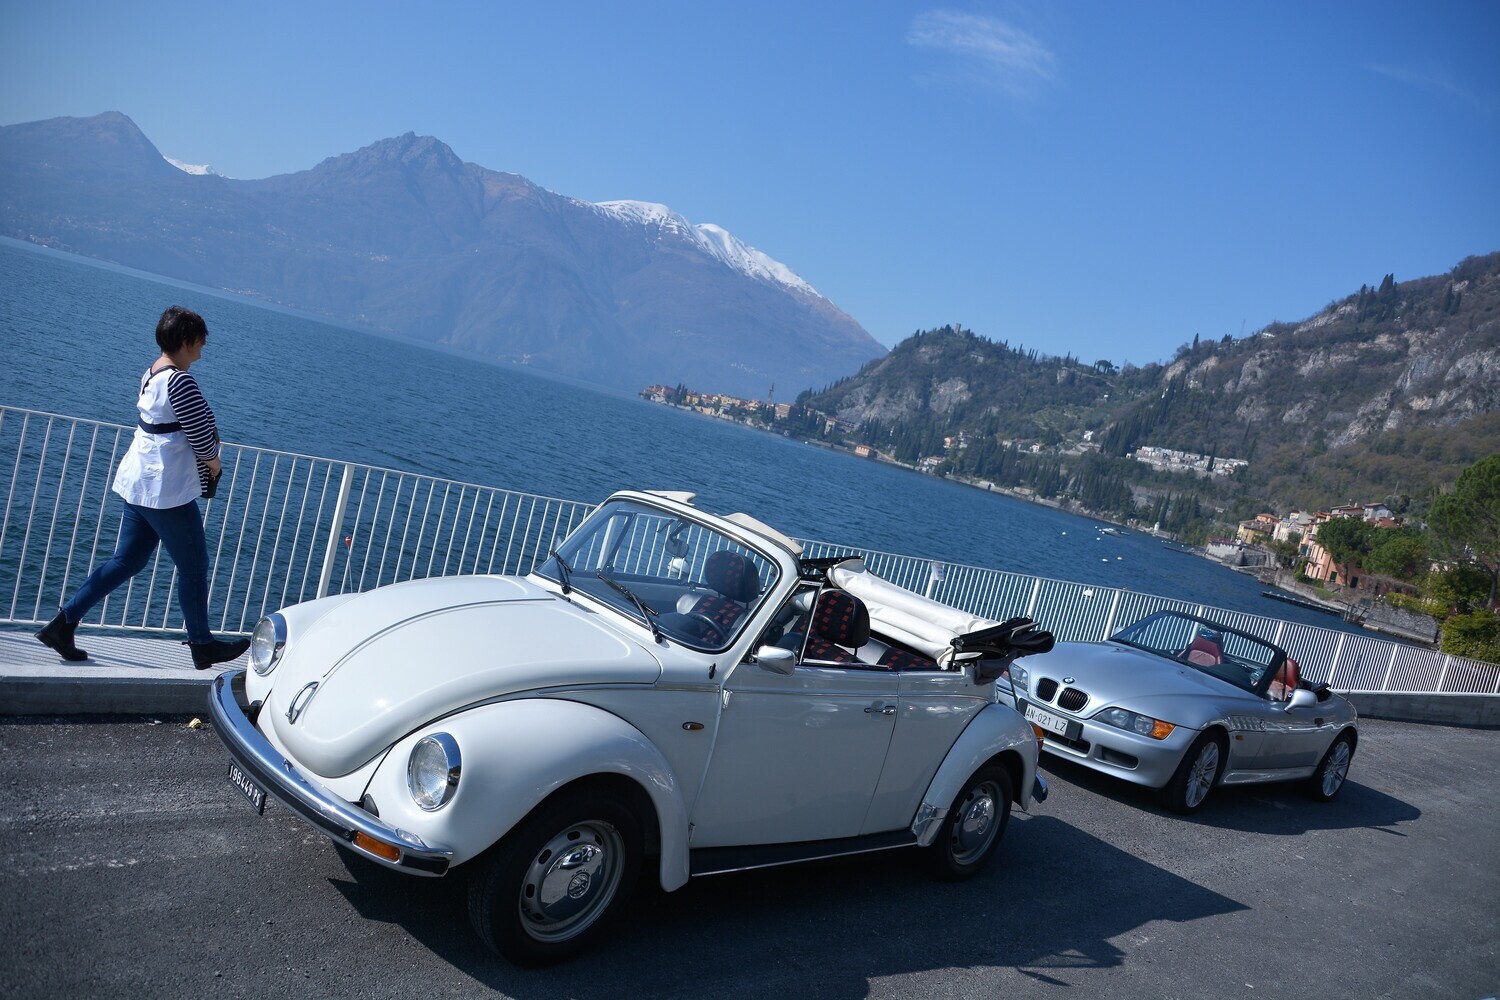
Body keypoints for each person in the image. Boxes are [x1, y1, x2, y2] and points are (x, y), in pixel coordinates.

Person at [35, 306, 250, 670]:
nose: (203, 347)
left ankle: (62, 624)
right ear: (186, 341)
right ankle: (201, 644)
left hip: (139, 483)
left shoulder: (153, 373)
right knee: (194, 566)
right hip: (165, 491)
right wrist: (215, 465)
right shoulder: (181, 381)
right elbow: (201, 438)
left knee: (127, 561)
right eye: (200, 340)